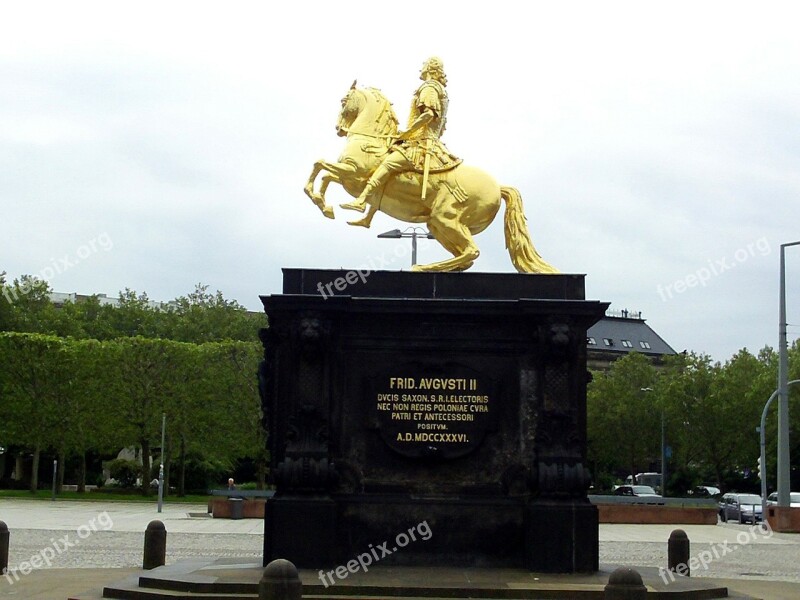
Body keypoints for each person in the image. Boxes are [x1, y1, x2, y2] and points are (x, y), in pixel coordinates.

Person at [340, 56, 460, 227]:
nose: (421, 68)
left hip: (421, 143)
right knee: (384, 169)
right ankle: (368, 218)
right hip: (425, 141)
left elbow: (428, 115)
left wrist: (407, 132)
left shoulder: (430, 87)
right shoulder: (439, 89)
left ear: (431, 68)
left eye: (424, 65)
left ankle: (361, 201)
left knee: (386, 165)